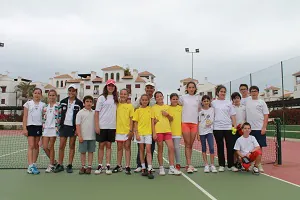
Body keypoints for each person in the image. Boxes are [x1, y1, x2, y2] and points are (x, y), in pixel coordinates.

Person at [54, 84, 83, 173]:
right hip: (63, 127)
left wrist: (78, 130)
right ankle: (60, 164)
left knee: (72, 146)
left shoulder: (79, 103)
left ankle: (69, 165)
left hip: (73, 128)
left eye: (73, 91)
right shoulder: (62, 101)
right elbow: (58, 115)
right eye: (70, 90)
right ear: (68, 91)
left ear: (75, 92)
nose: (71, 92)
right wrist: (57, 126)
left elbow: (81, 117)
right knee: (61, 146)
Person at [152, 91, 181, 176]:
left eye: (161, 96)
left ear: (163, 97)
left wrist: (167, 114)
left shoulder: (167, 107)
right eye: (157, 97)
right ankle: (161, 168)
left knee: (171, 148)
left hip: (167, 131)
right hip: (158, 131)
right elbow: (152, 121)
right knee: (160, 149)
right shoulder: (153, 108)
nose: (159, 98)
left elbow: (171, 119)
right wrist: (154, 133)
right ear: (155, 98)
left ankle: (171, 168)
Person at [94, 79, 118, 175]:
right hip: (102, 126)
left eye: (112, 86)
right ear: (106, 86)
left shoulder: (116, 98)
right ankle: (100, 165)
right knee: (101, 146)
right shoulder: (101, 98)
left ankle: (108, 165)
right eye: (109, 85)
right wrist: (97, 126)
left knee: (109, 146)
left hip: (112, 127)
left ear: (114, 87)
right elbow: (96, 113)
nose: (110, 87)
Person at [212, 85, 238, 172]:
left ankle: (231, 165)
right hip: (217, 128)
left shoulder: (229, 103)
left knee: (230, 146)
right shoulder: (213, 103)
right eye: (221, 91)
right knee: (220, 147)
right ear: (217, 93)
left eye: (224, 92)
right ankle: (221, 165)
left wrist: (234, 126)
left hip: (228, 128)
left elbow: (233, 115)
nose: (223, 93)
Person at [133, 82, 156, 173]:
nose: (149, 89)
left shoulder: (154, 100)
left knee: (151, 148)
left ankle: (148, 166)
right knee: (141, 148)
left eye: (151, 88)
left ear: (153, 90)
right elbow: (133, 108)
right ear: (145, 89)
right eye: (148, 88)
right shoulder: (139, 100)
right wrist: (135, 131)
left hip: (151, 129)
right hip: (140, 130)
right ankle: (140, 165)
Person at [246, 86, 269, 172]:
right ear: (250, 92)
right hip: (249, 129)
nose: (254, 93)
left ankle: (258, 164)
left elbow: (266, 115)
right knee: (250, 147)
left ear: (258, 92)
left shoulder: (262, 102)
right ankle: (252, 163)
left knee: (259, 147)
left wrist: (264, 127)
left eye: (255, 91)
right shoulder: (247, 102)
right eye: (252, 91)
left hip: (259, 129)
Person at [179, 81, 201, 173]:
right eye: (190, 87)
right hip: (185, 123)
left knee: (190, 145)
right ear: (187, 89)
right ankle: (189, 165)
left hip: (194, 124)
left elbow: (200, 110)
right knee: (187, 144)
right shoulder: (182, 98)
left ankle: (189, 164)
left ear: (195, 89)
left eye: (193, 87)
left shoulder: (198, 98)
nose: (191, 89)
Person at [23, 88, 45, 174]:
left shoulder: (43, 105)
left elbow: (44, 117)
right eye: (35, 93)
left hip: (39, 127)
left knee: (36, 146)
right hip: (30, 126)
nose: (37, 94)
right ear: (33, 94)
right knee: (31, 145)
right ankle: (30, 166)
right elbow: (25, 117)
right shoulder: (28, 104)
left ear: (41, 95)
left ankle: (34, 164)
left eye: (39, 93)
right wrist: (24, 128)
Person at [113, 88, 134, 175]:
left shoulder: (130, 106)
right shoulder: (116, 105)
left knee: (127, 148)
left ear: (128, 95)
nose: (123, 95)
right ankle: (119, 165)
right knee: (119, 148)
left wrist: (131, 130)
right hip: (118, 131)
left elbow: (132, 119)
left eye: (125, 94)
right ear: (119, 95)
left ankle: (128, 166)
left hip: (127, 131)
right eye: (121, 94)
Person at [76, 95, 96, 175]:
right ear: (84, 103)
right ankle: (83, 166)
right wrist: (80, 136)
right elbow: (78, 125)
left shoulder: (94, 113)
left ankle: (89, 167)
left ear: (92, 104)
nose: (89, 103)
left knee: (91, 152)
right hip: (83, 137)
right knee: (83, 152)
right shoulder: (80, 113)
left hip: (92, 136)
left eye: (90, 102)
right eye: (87, 101)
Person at [197, 95, 217, 173]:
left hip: (209, 132)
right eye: (204, 101)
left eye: (207, 101)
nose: (206, 102)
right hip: (202, 132)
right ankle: (206, 165)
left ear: (209, 102)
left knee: (211, 148)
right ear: (202, 102)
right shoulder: (200, 111)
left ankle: (212, 165)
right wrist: (198, 134)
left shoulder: (212, 109)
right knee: (204, 148)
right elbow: (198, 122)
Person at [42, 89, 60, 173]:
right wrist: (43, 128)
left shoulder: (58, 106)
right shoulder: (45, 107)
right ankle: (54, 161)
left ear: (56, 96)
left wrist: (58, 128)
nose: (52, 97)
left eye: (53, 95)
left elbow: (59, 118)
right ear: (48, 96)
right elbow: (43, 118)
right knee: (45, 147)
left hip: (54, 129)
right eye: (50, 95)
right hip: (46, 129)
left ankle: (51, 165)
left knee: (50, 147)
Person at [231, 92, 246, 169]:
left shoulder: (244, 107)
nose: (236, 100)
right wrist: (234, 127)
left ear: (240, 99)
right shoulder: (231, 108)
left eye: (237, 98)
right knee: (235, 147)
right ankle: (236, 162)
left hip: (242, 130)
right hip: (234, 130)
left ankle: (243, 162)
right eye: (234, 98)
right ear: (232, 100)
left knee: (243, 147)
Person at [168, 93, 182, 171]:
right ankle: (171, 165)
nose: (175, 100)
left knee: (176, 148)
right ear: (170, 100)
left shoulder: (181, 108)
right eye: (173, 99)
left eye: (176, 99)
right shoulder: (167, 108)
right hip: (169, 132)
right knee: (170, 149)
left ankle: (178, 163)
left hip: (178, 132)